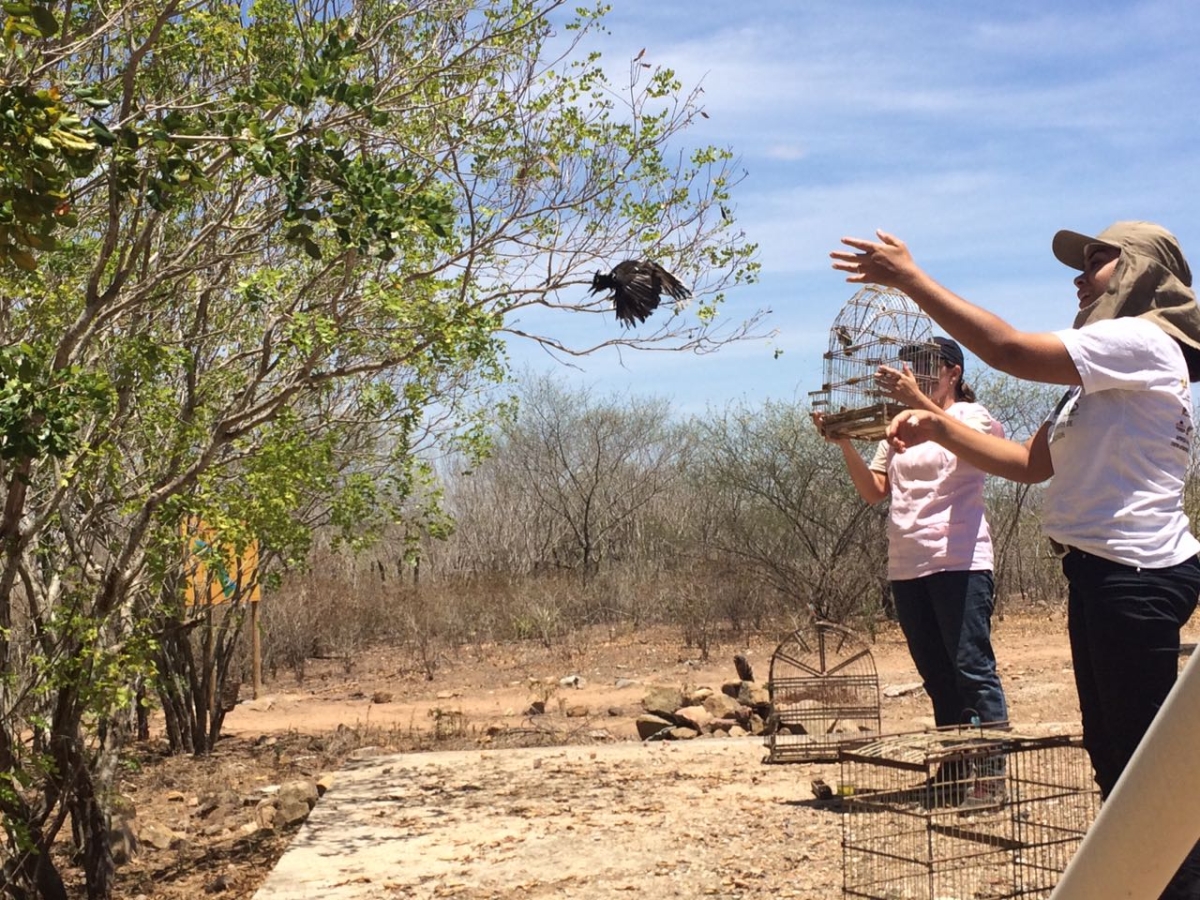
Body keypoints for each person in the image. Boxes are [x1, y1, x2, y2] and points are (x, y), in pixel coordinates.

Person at [831, 221, 1200, 899]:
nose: (1079, 276)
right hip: (1100, 573)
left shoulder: (1142, 341)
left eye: (1097, 261)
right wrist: (939, 423)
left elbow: (1006, 349)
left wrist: (910, 278)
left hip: (1136, 575)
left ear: (1143, 271)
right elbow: (1031, 465)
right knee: (1118, 764)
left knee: (1147, 781)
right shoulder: (1099, 379)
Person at [813, 335, 1010, 804]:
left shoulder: (969, 418)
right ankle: (954, 769)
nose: (915, 372)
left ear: (953, 373)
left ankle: (990, 775)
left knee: (971, 668)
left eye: (926, 365)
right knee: (937, 674)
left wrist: (915, 403)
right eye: (911, 364)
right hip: (908, 564)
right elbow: (875, 490)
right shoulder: (898, 426)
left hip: (959, 560)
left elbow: (978, 447)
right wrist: (844, 444)